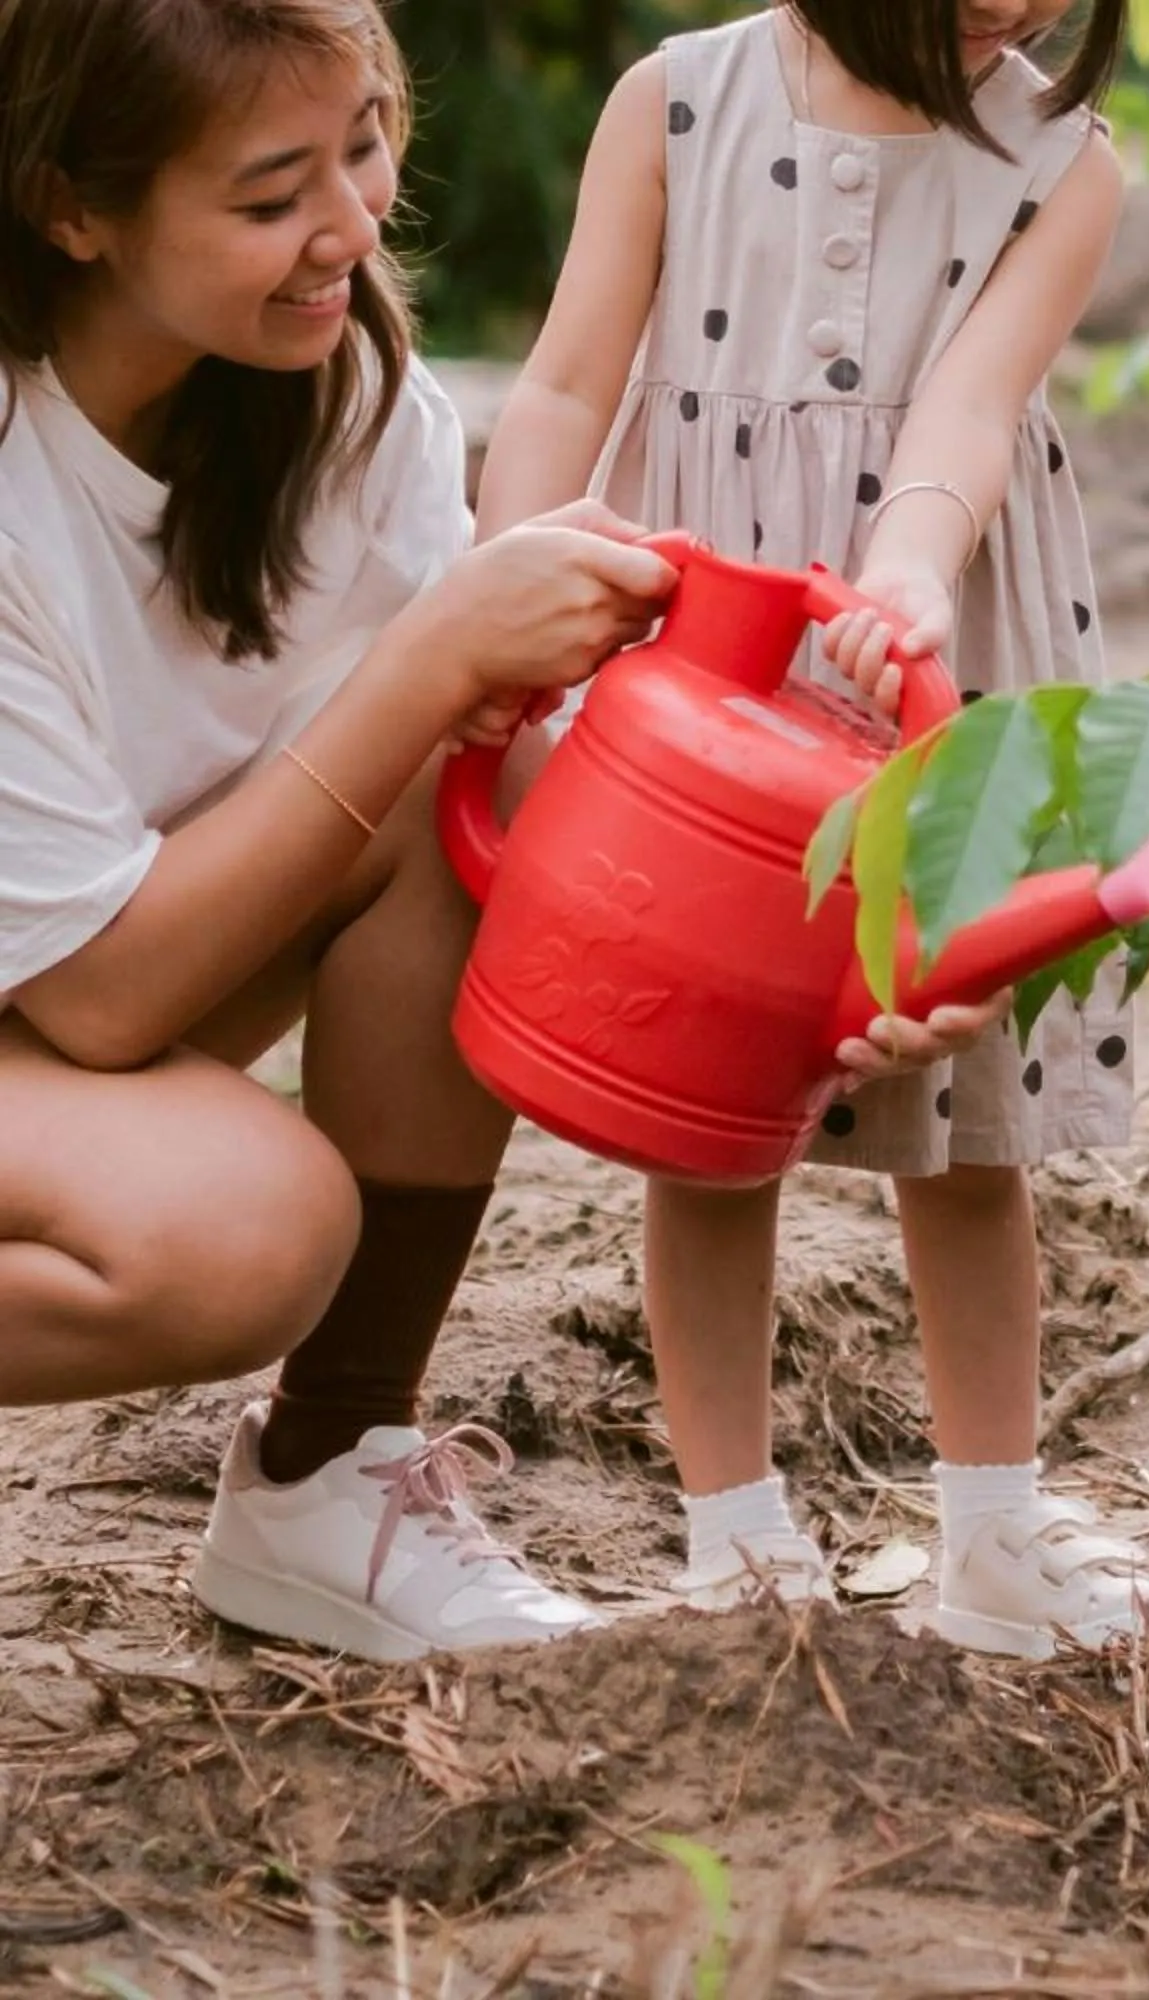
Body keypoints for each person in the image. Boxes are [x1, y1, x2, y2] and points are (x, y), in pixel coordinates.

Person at [475, 0, 1149, 1657]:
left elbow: (970, 411)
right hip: (707, 658)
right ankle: (735, 1544)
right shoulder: (675, 104)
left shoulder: (1063, 161)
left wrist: (912, 571)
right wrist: (500, 595)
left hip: (927, 657)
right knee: (711, 1102)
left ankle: (994, 1535)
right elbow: (571, 378)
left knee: (967, 1127)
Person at [0, 0, 689, 1659]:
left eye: (365, 146)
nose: (349, 227)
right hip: (74, 996)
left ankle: (334, 1473)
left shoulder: (354, 402)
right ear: (73, 208)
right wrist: (433, 652)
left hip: (64, 999)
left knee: (489, 779)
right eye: (268, 196)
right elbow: (100, 1002)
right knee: (239, 1234)